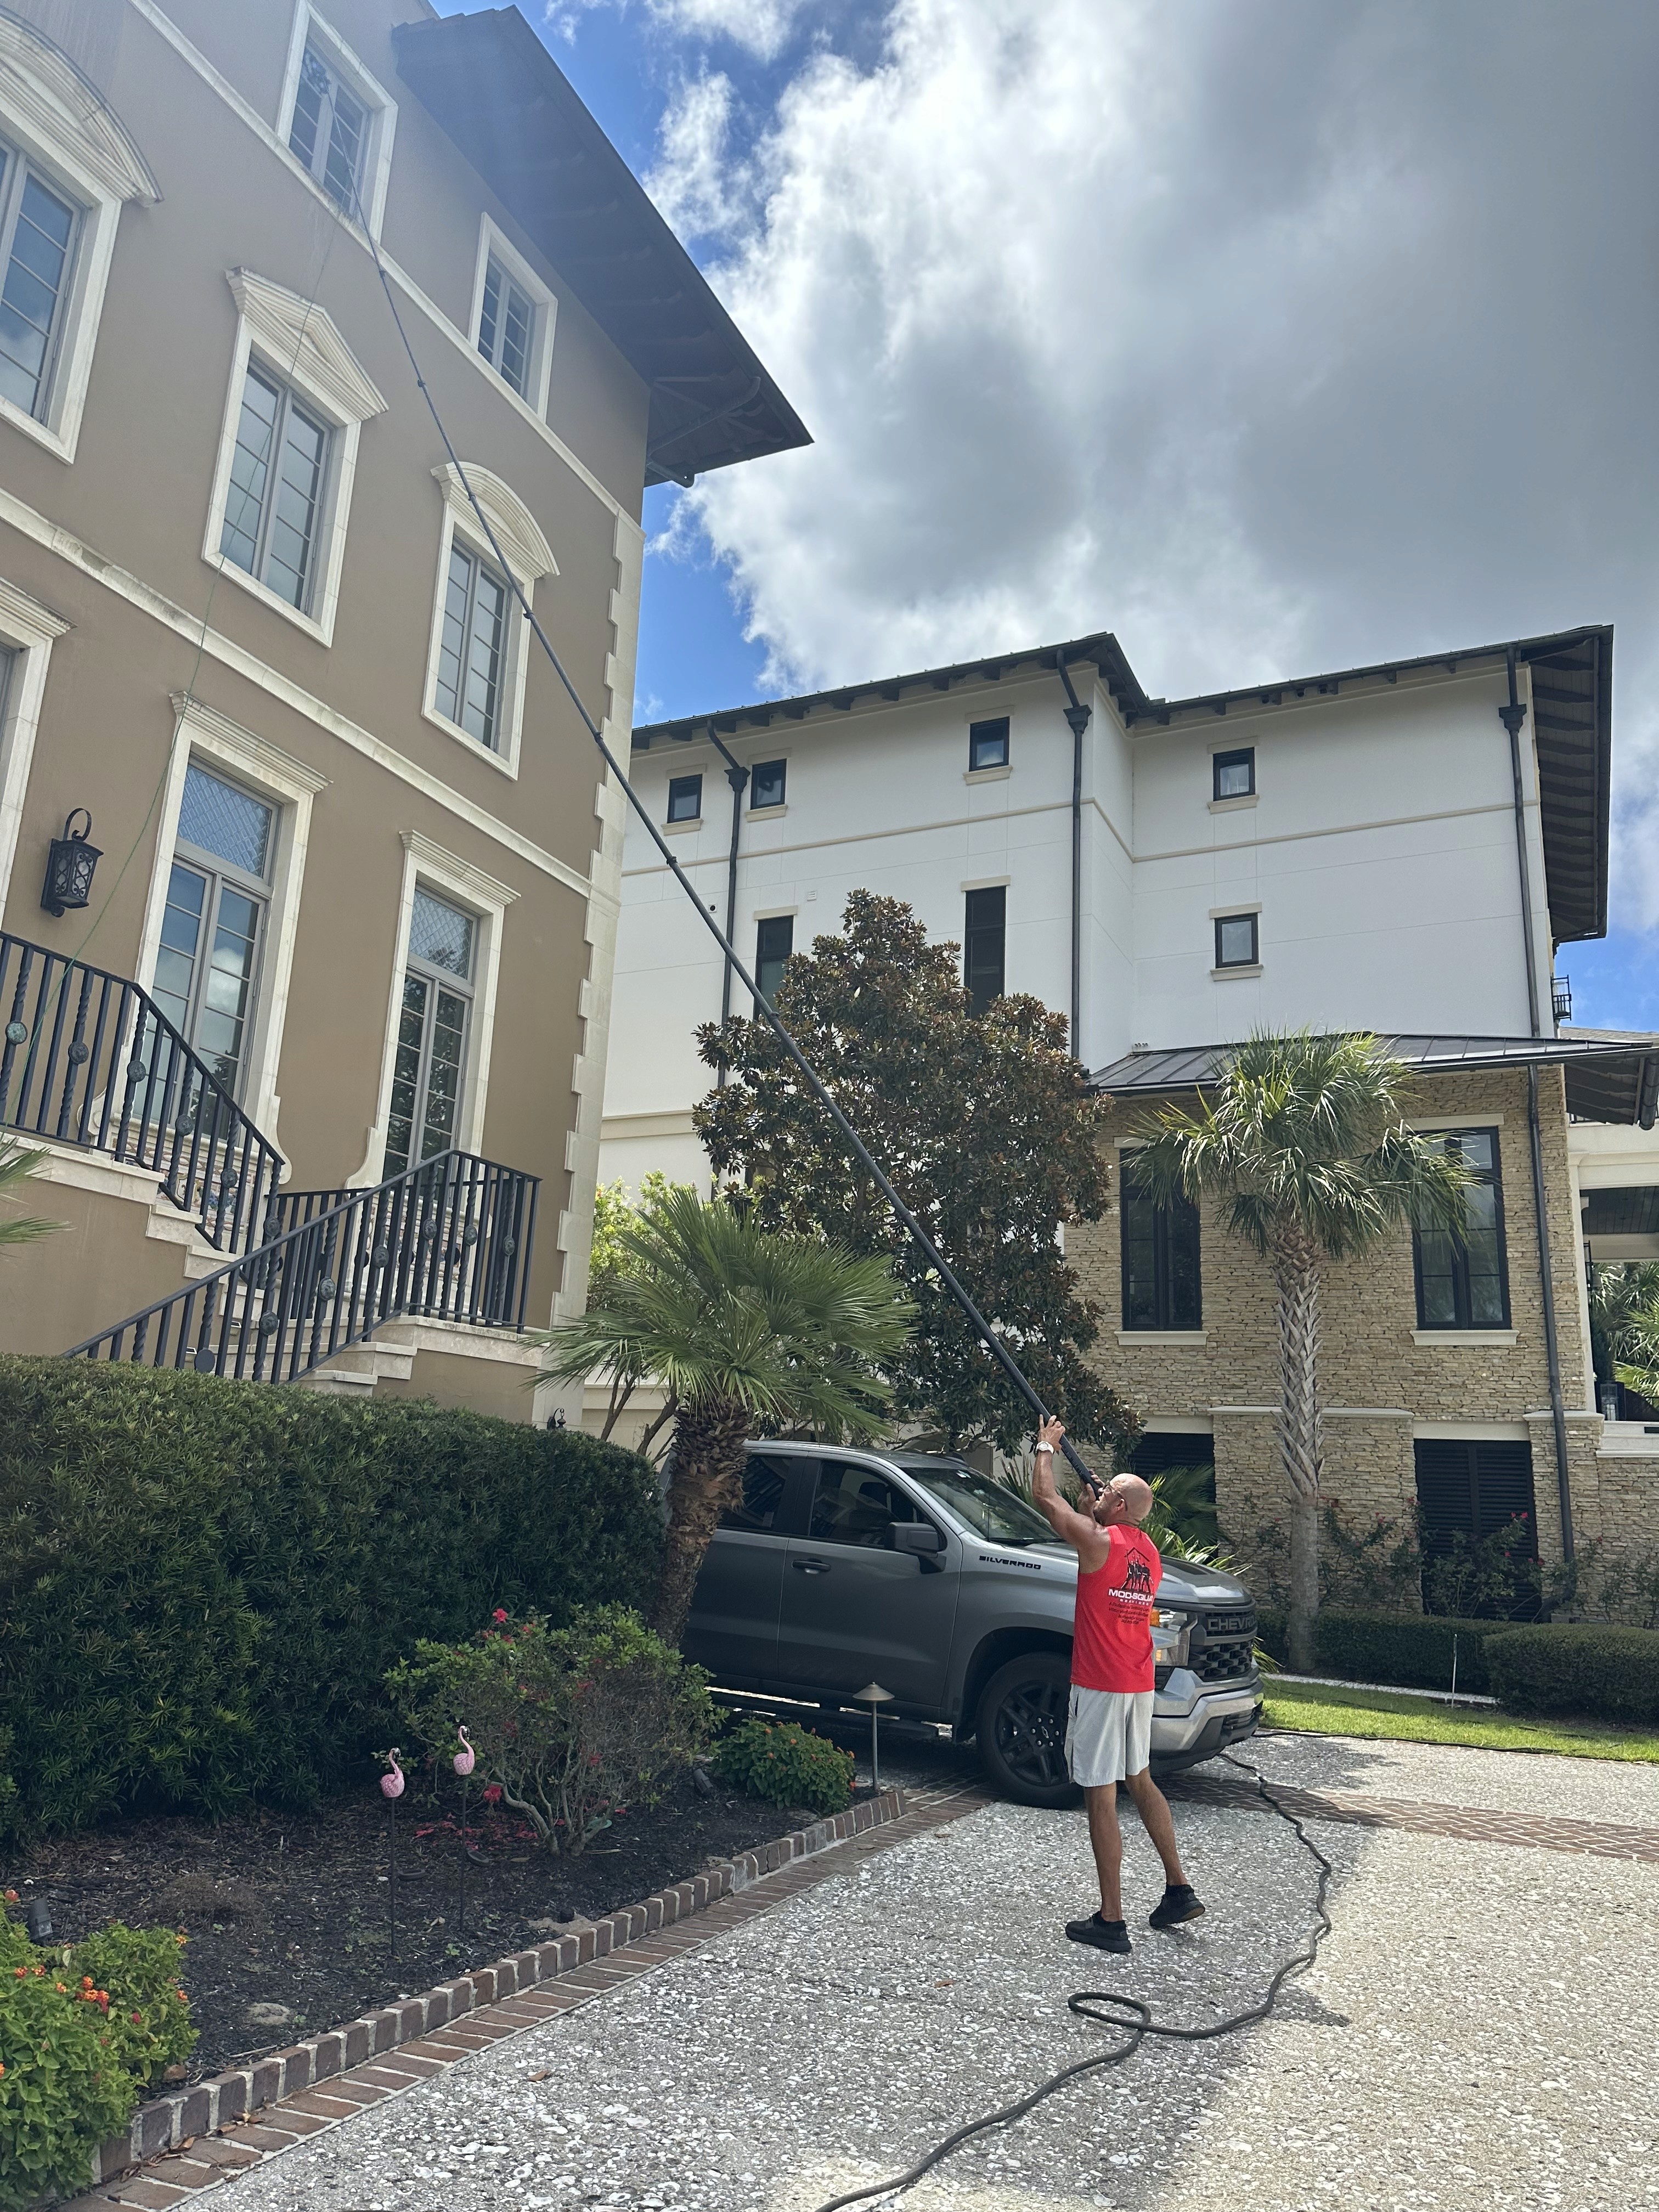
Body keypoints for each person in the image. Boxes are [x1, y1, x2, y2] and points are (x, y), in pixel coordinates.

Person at [1030, 1415, 1205, 1954]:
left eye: (1108, 1490)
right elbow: (1099, 1544)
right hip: (1135, 1682)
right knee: (1142, 1781)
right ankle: (1178, 1887)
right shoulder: (1146, 1553)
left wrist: (1046, 1446)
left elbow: (1044, 1499)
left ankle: (1111, 1920)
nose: (1099, 1490)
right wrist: (1095, 1510)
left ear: (1122, 1506)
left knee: (1101, 1796)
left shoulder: (1098, 1540)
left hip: (1102, 1684)